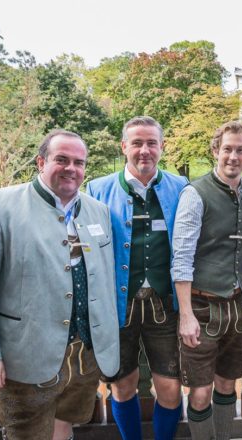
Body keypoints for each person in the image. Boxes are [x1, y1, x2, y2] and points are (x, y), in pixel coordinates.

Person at [0, 130, 120, 440]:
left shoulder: (98, 211)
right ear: (41, 162)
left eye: (78, 162)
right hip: (26, 355)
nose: (71, 168)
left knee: (65, 426)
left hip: (84, 355)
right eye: (61, 159)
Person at [87, 116, 188, 440]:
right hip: (120, 305)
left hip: (165, 304)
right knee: (122, 385)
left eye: (151, 143)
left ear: (162, 147)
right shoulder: (97, 190)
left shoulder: (181, 188)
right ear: (124, 147)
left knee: (170, 388)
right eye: (137, 143)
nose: (144, 150)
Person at [171, 121, 242, 440]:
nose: (233, 156)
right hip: (201, 306)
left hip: (237, 306)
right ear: (215, 151)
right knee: (199, 393)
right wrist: (186, 316)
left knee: (228, 384)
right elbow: (180, 258)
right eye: (227, 149)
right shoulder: (194, 194)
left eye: (240, 150)